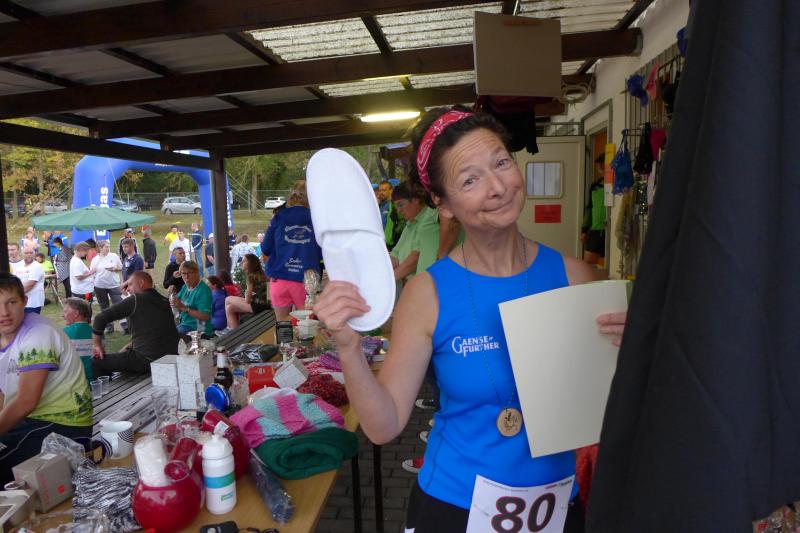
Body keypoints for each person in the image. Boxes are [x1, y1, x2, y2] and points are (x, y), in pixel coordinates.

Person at [313, 107, 627, 533]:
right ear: (442, 203)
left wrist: (630, 355)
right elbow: (384, 426)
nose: (497, 187)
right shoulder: (427, 294)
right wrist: (348, 346)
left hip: (557, 505)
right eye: (469, 180)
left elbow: (613, 410)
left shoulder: (575, 278)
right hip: (454, 506)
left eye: (502, 163)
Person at [0, 273, 92, 484]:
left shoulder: (38, 333)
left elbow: (26, 402)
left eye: (11, 302)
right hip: (30, 422)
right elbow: (3, 396)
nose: (4, 312)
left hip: (65, 426)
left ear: (24, 301)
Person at [91, 271, 180, 376]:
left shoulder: (136, 300)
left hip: (147, 360)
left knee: (96, 361)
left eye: (130, 284)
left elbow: (100, 318)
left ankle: (111, 386)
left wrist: (97, 345)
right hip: (170, 356)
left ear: (141, 283)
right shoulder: (164, 300)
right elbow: (153, 331)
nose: (128, 289)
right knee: (124, 352)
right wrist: (131, 345)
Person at [261, 180, 322, 321]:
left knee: (283, 327)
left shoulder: (278, 216)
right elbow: (321, 253)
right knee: (307, 327)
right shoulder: (317, 219)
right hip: (306, 281)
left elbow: (265, 248)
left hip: (279, 278)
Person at [224, 254, 270, 328]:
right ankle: (233, 330)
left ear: (251, 263)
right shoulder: (263, 274)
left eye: (244, 261)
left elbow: (247, 300)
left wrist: (246, 294)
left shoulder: (250, 276)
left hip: (258, 307)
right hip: (266, 305)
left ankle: (229, 328)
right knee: (229, 308)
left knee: (227, 299)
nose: (241, 263)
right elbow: (267, 294)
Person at [90, 240, 123, 334]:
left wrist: (115, 269)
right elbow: (92, 273)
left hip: (114, 285)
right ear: (100, 248)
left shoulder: (114, 256)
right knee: (104, 307)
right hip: (100, 286)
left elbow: (121, 268)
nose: (108, 248)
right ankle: (109, 328)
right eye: (106, 247)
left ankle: (126, 326)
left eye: (109, 246)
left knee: (120, 305)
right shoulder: (95, 259)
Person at [173, 260, 213, 337]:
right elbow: (176, 301)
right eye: (183, 273)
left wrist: (184, 308)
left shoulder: (203, 290)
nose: (186, 277)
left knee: (173, 334)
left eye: (189, 273)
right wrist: (172, 298)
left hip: (200, 329)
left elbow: (205, 316)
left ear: (196, 273)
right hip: (185, 324)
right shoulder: (185, 287)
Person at [581, 154, 607, 266]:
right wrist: (584, 230)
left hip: (610, 229)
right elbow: (589, 208)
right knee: (587, 264)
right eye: (599, 166)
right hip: (596, 229)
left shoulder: (617, 184)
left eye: (602, 164)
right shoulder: (595, 186)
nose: (600, 167)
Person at [62, 297, 94, 382]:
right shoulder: (96, 332)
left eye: (65, 311)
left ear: (76, 313)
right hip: (95, 377)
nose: (63, 315)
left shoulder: (64, 333)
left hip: (76, 381)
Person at [10, 245, 45, 314]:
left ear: (34, 254)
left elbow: (30, 284)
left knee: (31, 320)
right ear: (21, 254)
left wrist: (15, 295)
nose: (29, 254)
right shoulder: (19, 267)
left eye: (31, 253)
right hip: (21, 301)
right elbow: (14, 282)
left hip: (33, 302)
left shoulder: (36, 266)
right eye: (26, 253)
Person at [69, 242, 95, 316]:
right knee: (86, 312)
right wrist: (90, 273)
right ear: (80, 250)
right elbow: (78, 277)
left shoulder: (76, 260)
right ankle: (86, 322)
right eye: (86, 251)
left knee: (82, 311)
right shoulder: (76, 262)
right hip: (83, 291)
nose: (86, 253)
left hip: (81, 290)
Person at [379, 180, 405, 251]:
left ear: (391, 190)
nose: (381, 192)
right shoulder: (380, 205)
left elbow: (403, 222)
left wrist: (394, 235)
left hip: (392, 246)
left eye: (384, 190)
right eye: (380, 190)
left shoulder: (394, 205)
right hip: (382, 245)